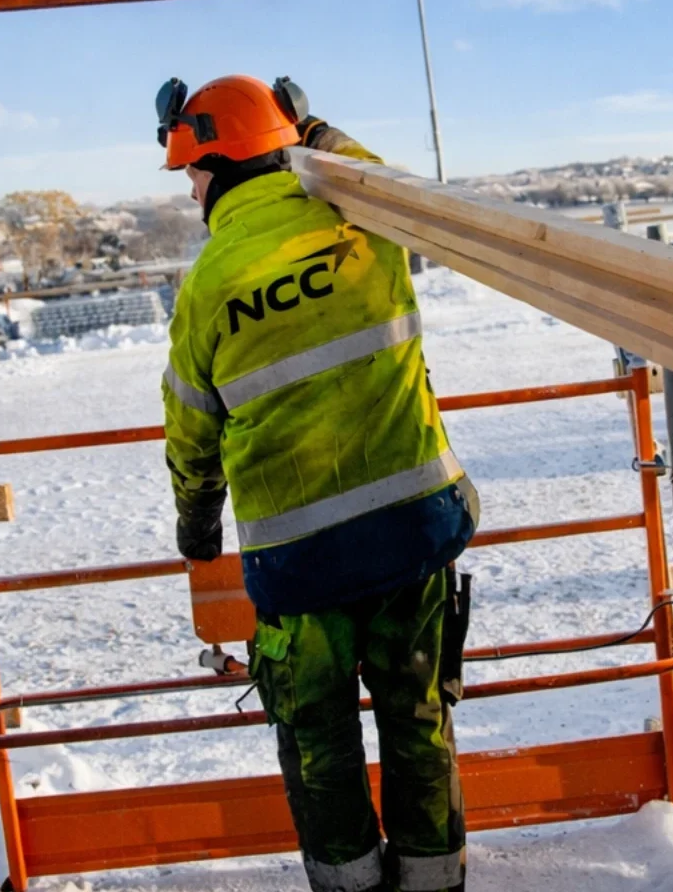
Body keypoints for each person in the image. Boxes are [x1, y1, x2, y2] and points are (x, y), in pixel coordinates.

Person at [157, 74, 477, 892]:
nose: (189, 188)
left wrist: (197, 529)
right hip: (411, 532)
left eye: (190, 170)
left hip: (298, 565)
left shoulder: (205, 287)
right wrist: (314, 126)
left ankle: (350, 887)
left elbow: (191, 434)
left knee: (317, 741)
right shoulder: (363, 215)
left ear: (217, 164)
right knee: (415, 720)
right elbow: (395, 183)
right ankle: (436, 883)